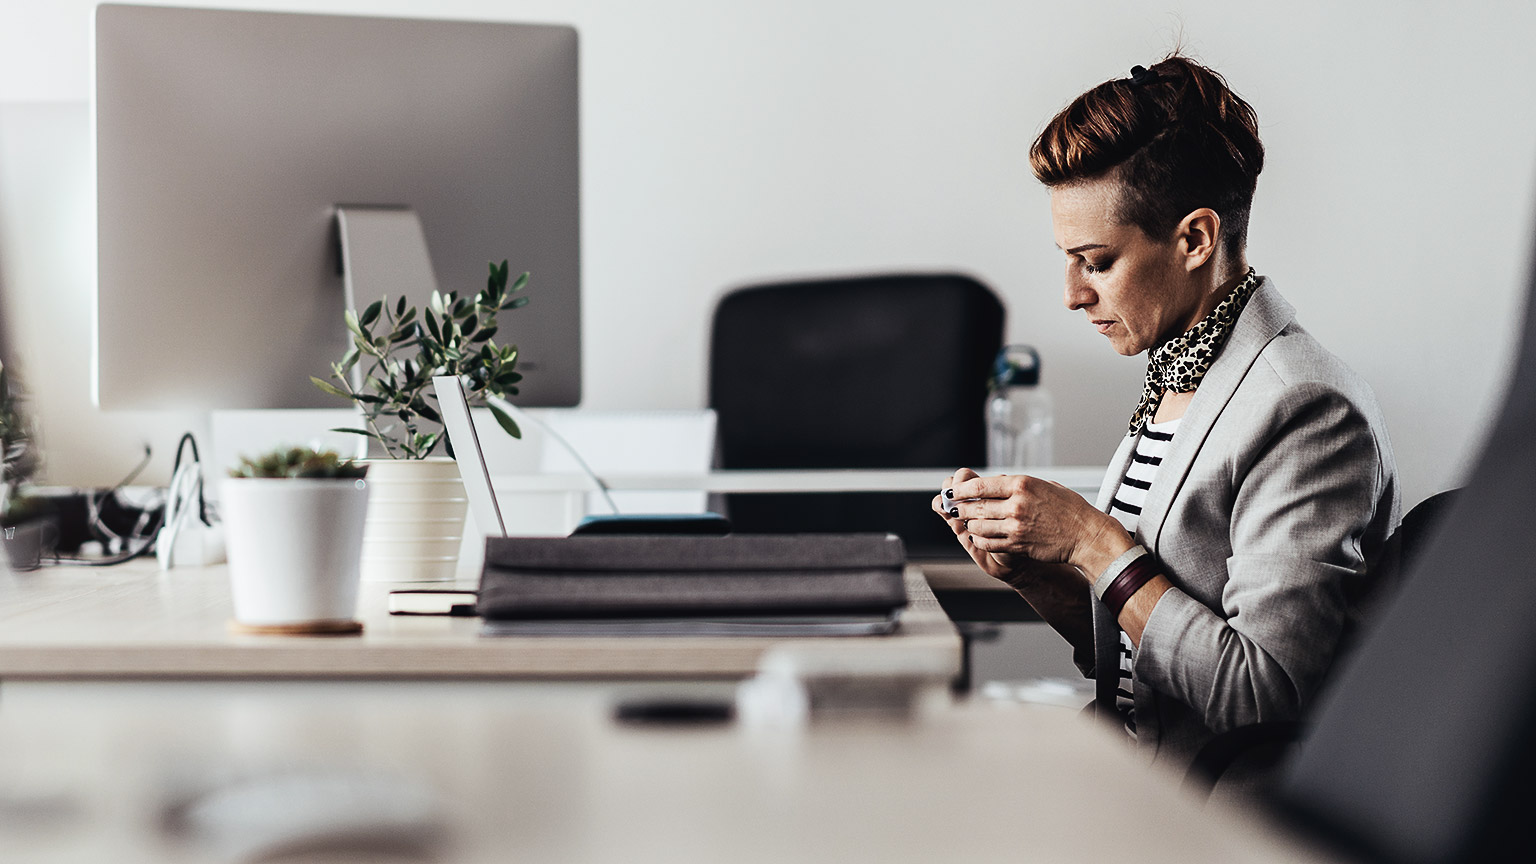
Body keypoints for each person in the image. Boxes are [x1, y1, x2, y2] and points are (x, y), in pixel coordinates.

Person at [934, 55, 1400, 767]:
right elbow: (1136, 666)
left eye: (1095, 261)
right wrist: (1035, 571)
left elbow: (1264, 700)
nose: (1072, 294)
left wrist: (1090, 543)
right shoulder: (1182, 372)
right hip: (1129, 778)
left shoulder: (1306, 408)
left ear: (1194, 239)